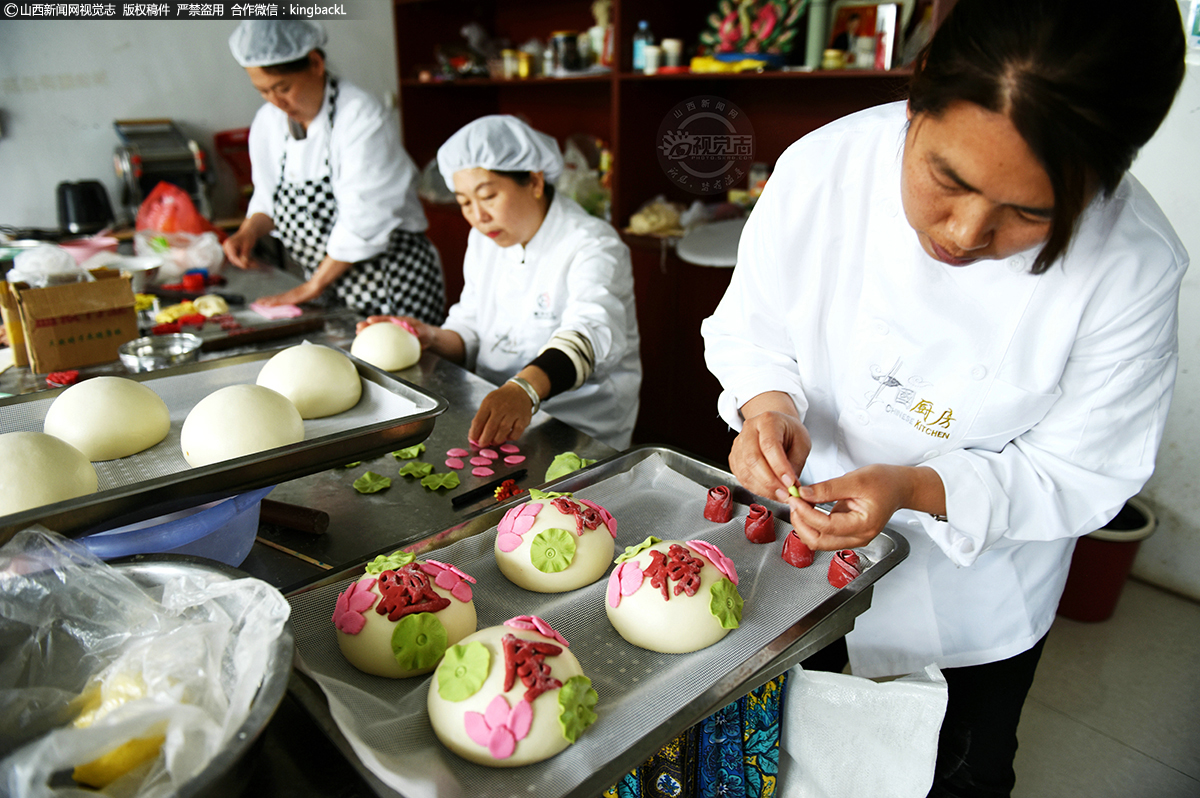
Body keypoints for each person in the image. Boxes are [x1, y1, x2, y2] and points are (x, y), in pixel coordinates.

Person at [701, 0, 1187, 795]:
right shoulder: (828, 167)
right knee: (781, 756)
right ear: (920, 86)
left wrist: (914, 488)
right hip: (794, 559)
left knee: (956, 770)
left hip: (971, 602)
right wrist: (767, 407)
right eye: (946, 178)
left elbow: (1082, 471)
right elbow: (753, 328)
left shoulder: (1133, 268)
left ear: (1108, 175)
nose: (963, 233)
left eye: (1030, 213)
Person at [358, 115, 641, 450]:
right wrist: (429, 337)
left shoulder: (592, 244)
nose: (478, 216)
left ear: (535, 182)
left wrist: (525, 389)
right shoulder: (485, 239)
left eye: (488, 195)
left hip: (575, 429)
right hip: (494, 410)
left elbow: (590, 333)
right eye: (465, 202)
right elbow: (472, 328)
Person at [223, 20, 445, 324]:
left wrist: (313, 285)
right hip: (328, 285)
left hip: (391, 284)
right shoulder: (268, 122)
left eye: (283, 88)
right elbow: (268, 199)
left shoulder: (360, 116)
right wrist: (249, 231)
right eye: (263, 91)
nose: (277, 102)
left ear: (315, 63)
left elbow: (364, 220)